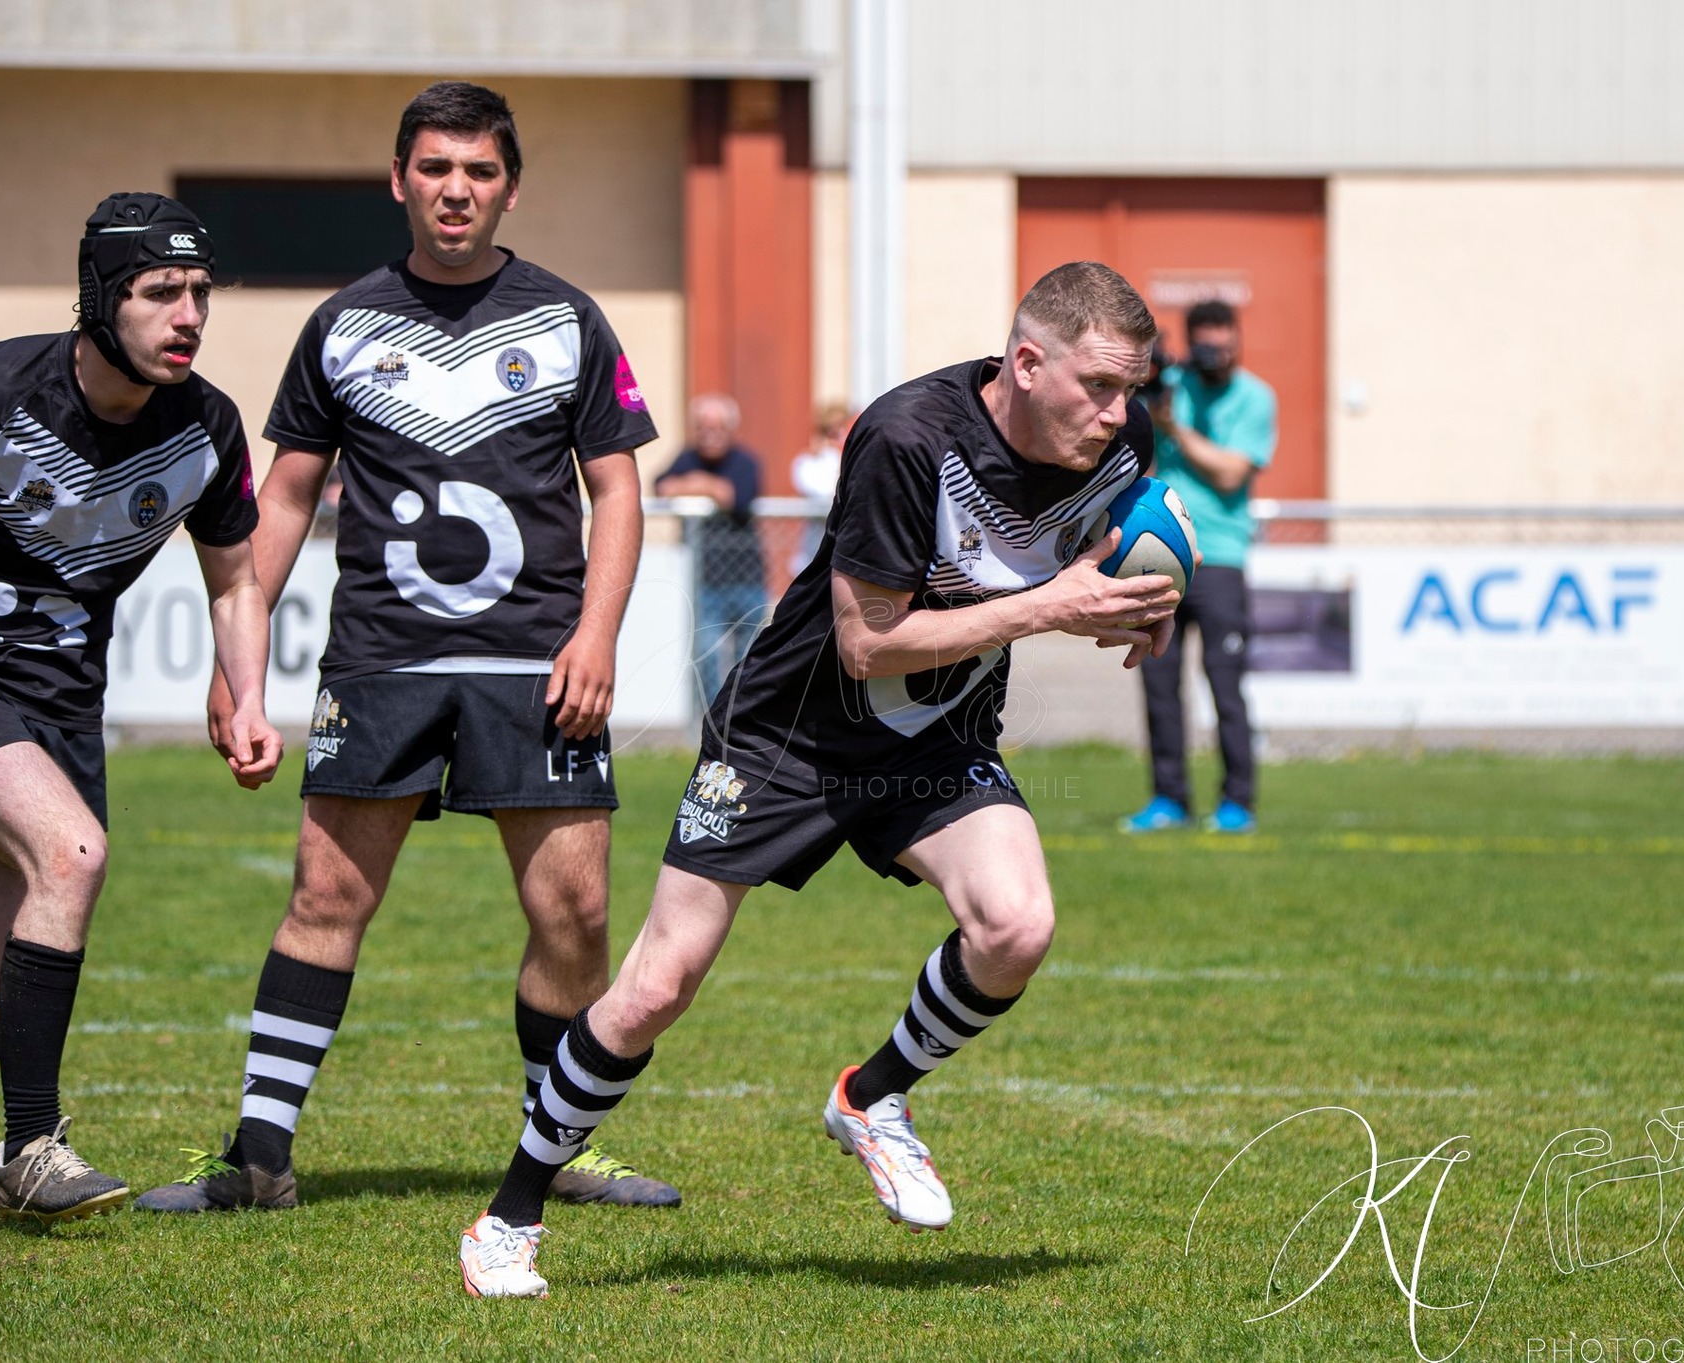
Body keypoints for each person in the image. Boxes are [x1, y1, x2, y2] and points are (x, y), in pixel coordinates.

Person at [456, 261, 1182, 1297]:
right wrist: (1049, 609)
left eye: (1130, 389)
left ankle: (871, 1096)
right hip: (785, 738)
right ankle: (509, 1213)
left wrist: (1144, 605)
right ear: (1026, 363)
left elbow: (1111, 550)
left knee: (1016, 925)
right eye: (1098, 386)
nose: (1117, 413)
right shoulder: (908, 437)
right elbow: (866, 643)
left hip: (933, 737)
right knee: (657, 984)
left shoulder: (1123, 443)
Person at [135, 81, 681, 1214]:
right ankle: (258, 1156)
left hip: (536, 662)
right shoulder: (342, 323)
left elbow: (619, 491)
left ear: (510, 188)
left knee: (575, 914)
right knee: (325, 896)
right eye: (435, 167)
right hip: (380, 659)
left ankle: (559, 1147)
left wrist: (596, 635)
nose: (456, 190)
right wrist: (238, 663)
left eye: (480, 171)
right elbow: (285, 497)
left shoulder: (568, 318)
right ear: (399, 181)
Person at [0, 193, 281, 1222]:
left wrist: (249, 694)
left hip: (67, 701)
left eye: (200, 292)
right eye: (160, 292)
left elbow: (235, 582)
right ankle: (29, 1150)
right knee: (71, 855)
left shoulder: (206, 426)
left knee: (13, 986)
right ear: (99, 298)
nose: (188, 315)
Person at [1123, 298, 1277, 836]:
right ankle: (1169, 799)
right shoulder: (1170, 385)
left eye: (1227, 345)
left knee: (1225, 683)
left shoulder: (1256, 397)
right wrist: (1144, 391)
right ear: (1190, 344)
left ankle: (1237, 802)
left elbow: (1231, 473)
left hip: (1222, 559)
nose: (1219, 355)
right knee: (1158, 682)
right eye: (1208, 346)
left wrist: (1176, 428)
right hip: (1159, 558)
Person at [655, 394, 767, 708]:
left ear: (731, 429)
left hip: (747, 579)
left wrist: (695, 483)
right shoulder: (686, 458)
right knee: (706, 655)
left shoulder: (746, 462)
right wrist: (710, 487)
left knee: (750, 657)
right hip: (705, 581)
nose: (710, 435)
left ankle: (743, 715)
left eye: (717, 428)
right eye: (703, 428)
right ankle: (712, 717)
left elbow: (736, 497)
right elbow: (662, 487)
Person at [788, 400, 853, 573]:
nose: (837, 436)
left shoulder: (853, 458)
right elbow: (823, 492)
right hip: (814, 550)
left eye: (842, 428)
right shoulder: (808, 462)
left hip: (848, 550)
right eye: (830, 431)